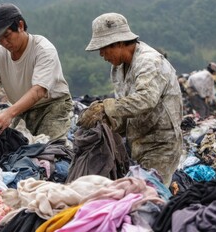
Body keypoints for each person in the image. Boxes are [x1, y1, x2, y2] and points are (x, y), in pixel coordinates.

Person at [77, 13, 183, 187]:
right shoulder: (117, 69)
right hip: (138, 143)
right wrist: (107, 122)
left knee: (148, 198)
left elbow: (146, 98)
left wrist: (106, 108)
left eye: (104, 48)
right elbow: (126, 109)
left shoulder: (148, 61)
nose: (102, 54)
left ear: (118, 43)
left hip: (161, 145)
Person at [0, 3, 72, 140]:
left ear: (21, 26)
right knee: (15, 150)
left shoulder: (43, 49)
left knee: (49, 151)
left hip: (52, 107)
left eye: (7, 35)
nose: (4, 43)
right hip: (21, 109)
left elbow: (39, 91)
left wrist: (8, 113)